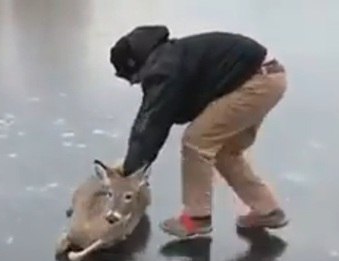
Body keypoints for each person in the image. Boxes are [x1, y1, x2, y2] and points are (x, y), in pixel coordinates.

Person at [110, 25, 288, 239]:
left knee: (196, 142)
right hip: (269, 77)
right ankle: (267, 210)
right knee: (225, 151)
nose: (138, 83)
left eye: (135, 78)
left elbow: (151, 122)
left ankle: (196, 219)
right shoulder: (170, 56)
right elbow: (166, 112)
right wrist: (135, 161)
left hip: (254, 81)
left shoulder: (162, 67)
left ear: (135, 63)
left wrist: (131, 169)